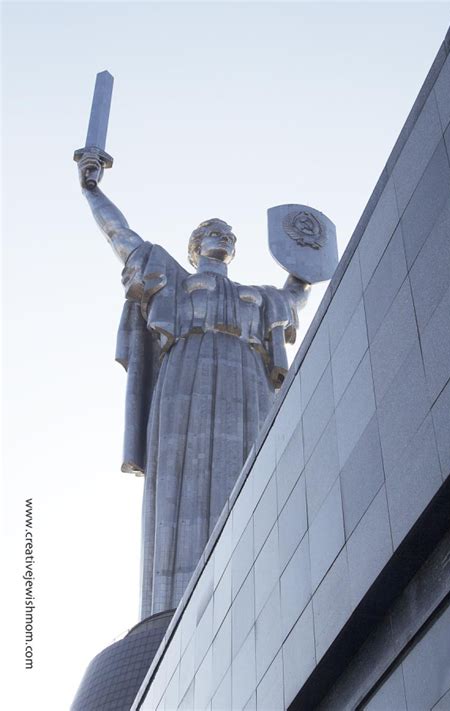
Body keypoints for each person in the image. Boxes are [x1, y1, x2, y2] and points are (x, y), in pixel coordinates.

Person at [77, 151, 310, 619]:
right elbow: (122, 237)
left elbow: (296, 295)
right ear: (194, 247)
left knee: (249, 472)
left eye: (227, 234)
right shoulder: (174, 280)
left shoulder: (259, 297)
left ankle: (250, 594)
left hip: (246, 377)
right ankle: (176, 614)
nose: (221, 237)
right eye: (211, 233)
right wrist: (92, 190)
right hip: (186, 374)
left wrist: (304, 259)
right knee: (181, 478)